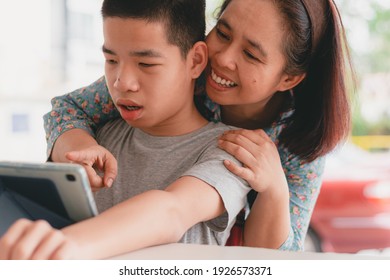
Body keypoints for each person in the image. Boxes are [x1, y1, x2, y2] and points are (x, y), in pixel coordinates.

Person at [42, 0, 353, 251]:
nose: (222, 58)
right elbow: (69, 109)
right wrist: (79, 147)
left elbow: (281, 257)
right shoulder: (172, 74)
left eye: (250, 54)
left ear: (288, 78)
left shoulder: (296, 139)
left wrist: (274, 189)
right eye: (223, 33)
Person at [0, 0, 252, 260]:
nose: (122, 82)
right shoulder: (94, 140)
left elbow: (171, 211)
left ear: (196, 61)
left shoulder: (231, 150)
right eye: (111, 60)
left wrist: (63, 247)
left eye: (146, 64)